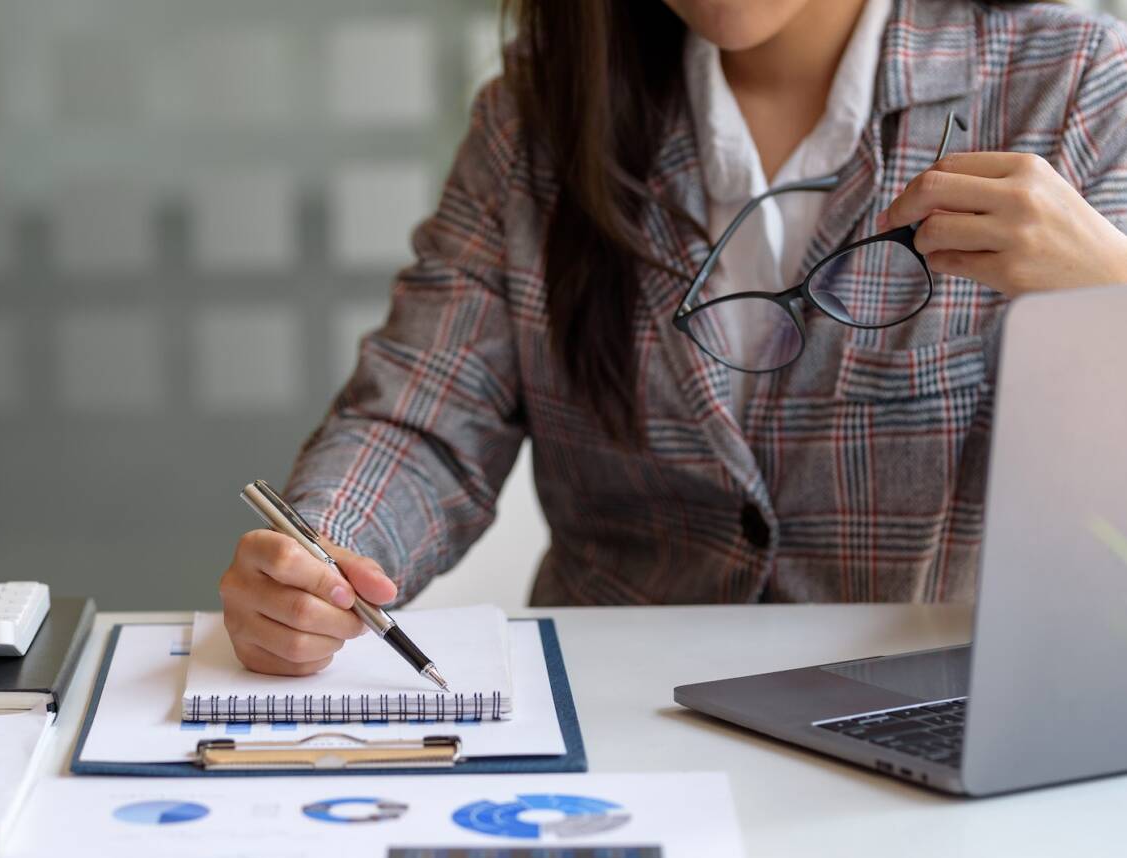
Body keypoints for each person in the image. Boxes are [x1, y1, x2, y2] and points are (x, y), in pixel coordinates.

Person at [220, 0, 1127, 676]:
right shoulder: (535, 120)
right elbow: (421, 420)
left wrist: (1114, 291)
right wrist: (320, 557)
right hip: (616, 721)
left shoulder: (1076, 86)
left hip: (917, 715)